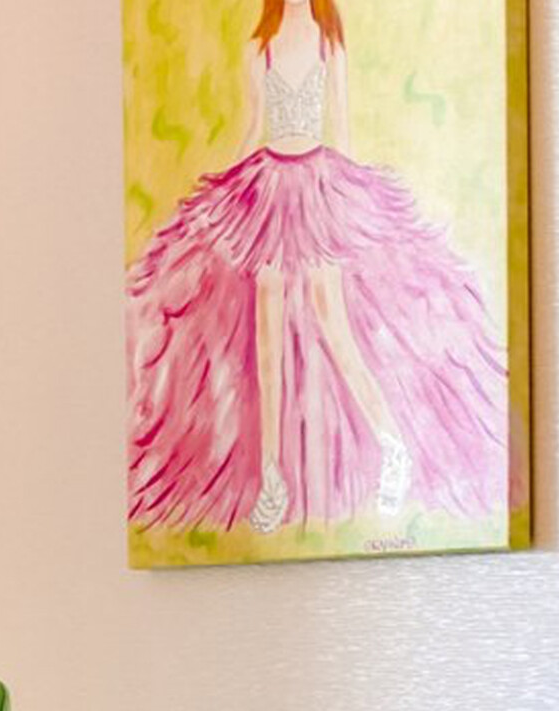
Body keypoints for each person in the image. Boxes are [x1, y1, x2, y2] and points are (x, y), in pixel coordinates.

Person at [126, 0, 509, 541]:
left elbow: (341, 125)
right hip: (268, 192)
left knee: (334, 324)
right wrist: (223, 191)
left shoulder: (331, 39)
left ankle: (391, 445)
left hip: (317, 191)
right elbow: (253, 127)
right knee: (267, 339)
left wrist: (351, 201)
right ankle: (272, 478)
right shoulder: (259, 44)